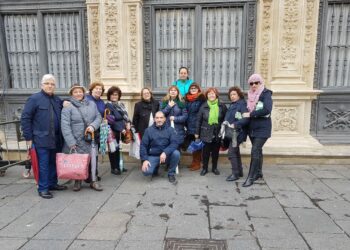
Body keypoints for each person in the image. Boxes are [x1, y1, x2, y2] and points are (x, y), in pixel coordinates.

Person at [21, 74, 67, 199]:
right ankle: (43, 188)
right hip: (41, 138)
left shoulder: (57, 99)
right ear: (42, 85)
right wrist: (28, 138)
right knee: (43, 164)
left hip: (56, 138)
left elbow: (63, 105)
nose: (50, 86)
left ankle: (52, 183)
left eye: (52, 84)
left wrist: (67, 102)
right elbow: (25, 118)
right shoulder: (34, 99)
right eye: (47, 83)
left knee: (53, 162)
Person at [61, 84, 102, 191]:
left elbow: (98, 117)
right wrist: (70, 142)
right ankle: (77, 181)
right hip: (76, 140)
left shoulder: (92, 104)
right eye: (75, 92)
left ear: (84, 93)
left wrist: (93, 126)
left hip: (90, 138)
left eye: (80, 91)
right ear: (71, 94)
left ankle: (93, 180)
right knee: (77, 161)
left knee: (93, 160)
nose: (78, 93)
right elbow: (65, 126)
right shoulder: (68, 107)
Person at [242, 73, 273, 187]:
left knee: (255, 150)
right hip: (252, 128)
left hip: (263, 128)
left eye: (256, 82)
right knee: (258, 150)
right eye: (251, 83)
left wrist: (251, 114)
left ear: (261, 83)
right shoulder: (250, 95)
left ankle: (250, 177)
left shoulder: (266, 94)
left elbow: (267, 109)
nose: (254, 85)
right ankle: (259, 173)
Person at [140, 111, 180, 183]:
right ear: (154, 119)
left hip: (166, 156)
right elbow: (143, 146)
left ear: (164, 119)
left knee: (176, 153)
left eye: (161, 118)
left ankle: (171, 174)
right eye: (157, 118)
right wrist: (144, 160)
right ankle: (155, 168)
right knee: (146, 172)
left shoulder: (170, 129)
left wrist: (165, 152)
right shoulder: (148, 130)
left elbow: (174, 143)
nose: (159, 120)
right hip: (153, 155)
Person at [195, 87, 227, 176]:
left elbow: (226, 119)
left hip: (217, 132)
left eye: (213, 93)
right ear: (207, 96)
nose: (211, 95)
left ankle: (214, 168)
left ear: (216, 95)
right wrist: (197, 133)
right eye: (209, 94)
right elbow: (198, 120)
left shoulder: (222, 106)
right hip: (205, 132)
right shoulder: (203, 106)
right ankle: (204, 168)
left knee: (215, 153)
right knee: (205, 153)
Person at [224, 87, 249, 181]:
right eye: (231, 95)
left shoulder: (242, 105)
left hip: (238, 132)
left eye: (234, 94)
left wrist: (235, 124)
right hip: (233, 133)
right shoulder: (233, 105)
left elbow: (246, 119)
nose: (232, 96)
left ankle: (235, 174)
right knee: (236, 152)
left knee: (231, 152)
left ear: (239, 94)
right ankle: (240, 171)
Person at [105, 86, 130, 175]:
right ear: (109, 96)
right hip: (113, 130)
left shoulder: (121, 104)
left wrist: (128, 123)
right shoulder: (108, 105)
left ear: (119, 95)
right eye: (112, 95)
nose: (114, 96)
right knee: (113, 149)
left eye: (116, 94)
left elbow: (125, 116)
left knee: (119, 148)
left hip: (121, 129)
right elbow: (111, 120)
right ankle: (114, 168)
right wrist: (121, 129)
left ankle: (120, 165)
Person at [85, 81, 105, 181]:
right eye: (96, 88)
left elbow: (102, 115)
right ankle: (87, 174)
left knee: (95, 153)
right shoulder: (86, 99)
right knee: (87, 153)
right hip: (87, 130)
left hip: (97, 130)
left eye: (100, 89)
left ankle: (94, 173)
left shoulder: (101, 102)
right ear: (91, 90)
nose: (98, 90)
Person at [184, 82, 206, 171]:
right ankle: (194, 162)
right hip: (189, 125)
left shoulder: (201, 99)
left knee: (197, 145)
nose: (193, 90)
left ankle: (197, 163)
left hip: (197, 125)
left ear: (198, 90)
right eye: (191, 88)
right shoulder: (187, 99)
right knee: (192, 145)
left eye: (195, 88)